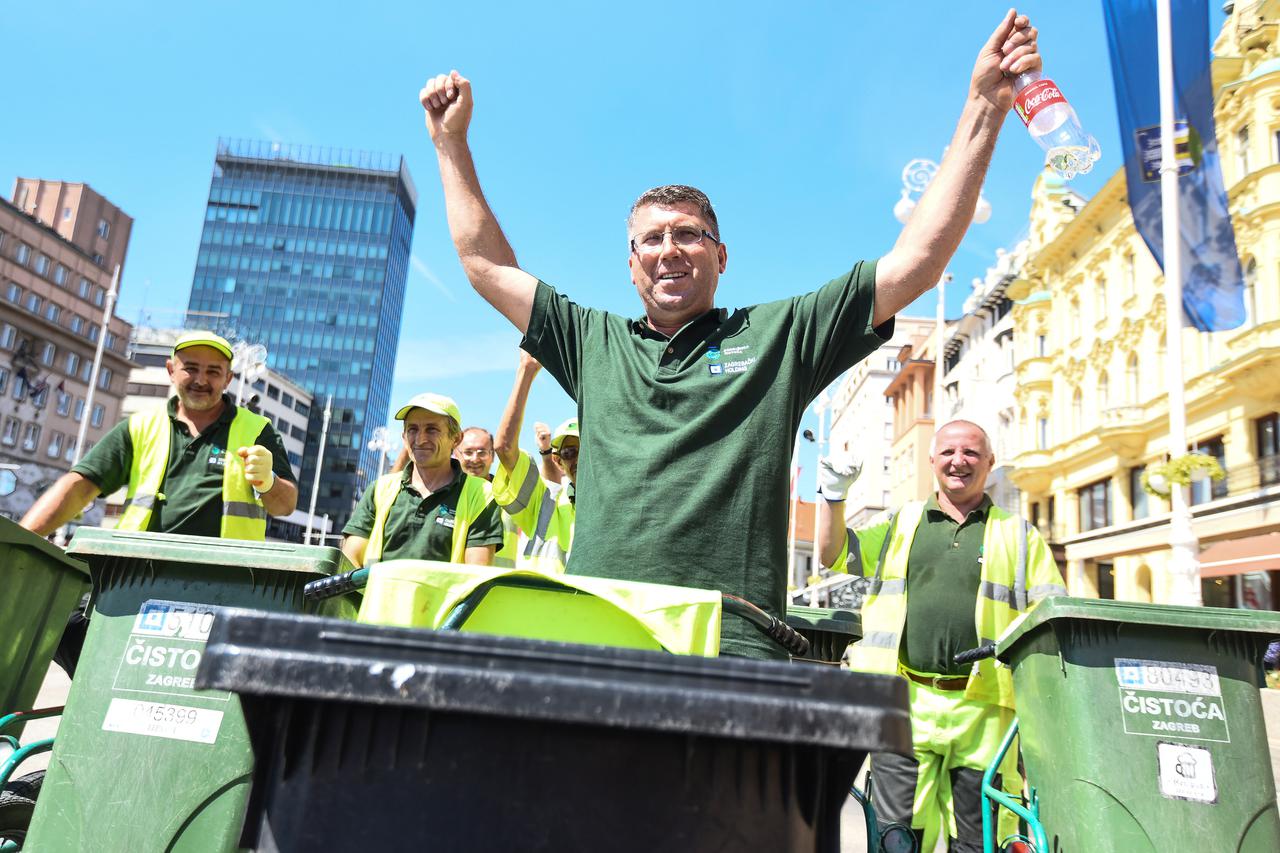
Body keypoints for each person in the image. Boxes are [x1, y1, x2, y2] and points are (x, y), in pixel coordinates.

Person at [419, 10, 1042, 657]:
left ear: (721, 256)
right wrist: (450, 145)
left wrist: (984, 105)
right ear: (631, 266)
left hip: (733, 647)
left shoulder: (779, 335)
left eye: (689, 233)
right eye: (652, 239)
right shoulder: (591, 342)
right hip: (600, 640)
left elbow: (917, 263)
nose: (670, 249)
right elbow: (485, 266)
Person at [816, 421, 1067, 852]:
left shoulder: (1020, 536)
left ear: (990, 462)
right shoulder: (903, 522)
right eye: (949, 452)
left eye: (971, 453)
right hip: (905, 703)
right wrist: (833, 496)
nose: (959, 461)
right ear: (932, 461)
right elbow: (833, 553)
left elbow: (1051, 622)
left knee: (975, 840)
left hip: (984, 709)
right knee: (895, 840)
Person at [20, 331, 297, 674]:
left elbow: (284, 505)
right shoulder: (141, 426)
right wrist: (20, 542)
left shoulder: (258, 430)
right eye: (190, 368)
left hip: (221, 589)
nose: (200, 379)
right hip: (132, 584)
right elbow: (78, 486)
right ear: (171, 369)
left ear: (228, 377)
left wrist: (268, 481)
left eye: (213, 371)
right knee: (63, 623)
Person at [342, 392, 505, 567]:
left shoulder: (483, 495)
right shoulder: (380, 489)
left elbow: (476, 577)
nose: (420, 439)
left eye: (431, 429)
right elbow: (349, 563)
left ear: (456, 438)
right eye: (413, 430)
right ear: (404, 437)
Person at [492, 351, 577, 573]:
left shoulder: (618, 503)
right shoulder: (545, 502)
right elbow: (504, 448)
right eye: (569, 452)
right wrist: (526, 371)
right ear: (558, 461)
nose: (578, 458)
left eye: (585, 450)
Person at [454, 425, 521, 567]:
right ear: (456, 453)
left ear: (493, 456)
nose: (475, 459)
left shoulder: (510, 494)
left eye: (482, 452)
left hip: (504, 585)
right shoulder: (445, 494)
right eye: (468, 452)